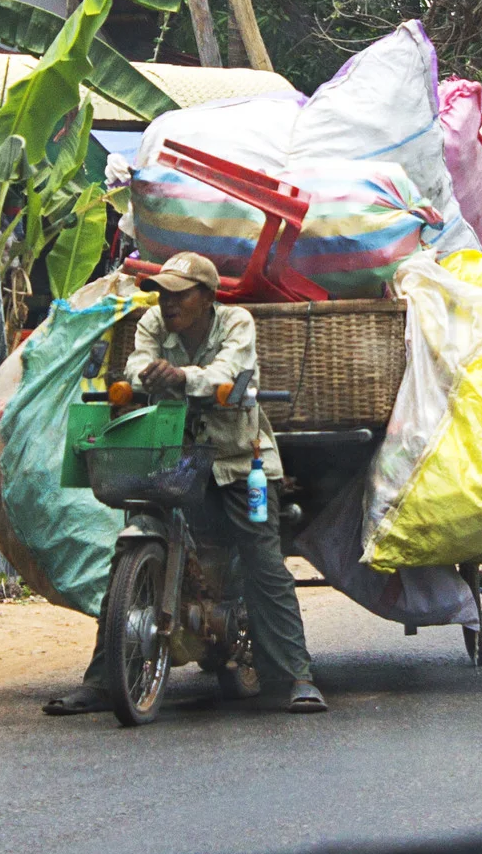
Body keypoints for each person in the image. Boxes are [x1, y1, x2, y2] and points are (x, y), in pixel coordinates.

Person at [43, 251, 326, 717]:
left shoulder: (236, 322)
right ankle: (101, 679)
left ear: (206, 297)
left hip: (241, 465)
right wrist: (144, 375)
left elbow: (228, 372)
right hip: (175, 462)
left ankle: (297, 675)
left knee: (262, 556)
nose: (168, 303)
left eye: (180, 294)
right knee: (129, 549)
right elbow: (136, 364)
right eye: (164, 293)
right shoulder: (153, 323)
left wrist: (181, 377)